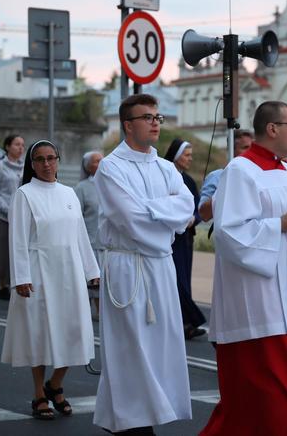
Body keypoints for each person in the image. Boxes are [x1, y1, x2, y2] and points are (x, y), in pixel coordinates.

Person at [201, 101, 287, 436]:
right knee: (267, 402)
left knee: (282, 398)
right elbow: (228, 234)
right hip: (257, 307)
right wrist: (279, 225)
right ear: (272, 129)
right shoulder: (240, 171)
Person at [93, 94, 194, 435]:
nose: (155, 122)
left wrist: (153, 211)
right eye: (147, 116)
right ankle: (133, 423)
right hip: (128, 267)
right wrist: (161, 215)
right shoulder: (111, 167)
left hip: (160, 266)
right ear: (127, 125)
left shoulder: (166, 167)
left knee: (160, 345)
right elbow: (129, 219)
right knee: (130, 344)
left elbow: (186, 210)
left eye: (157, 116)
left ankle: (140, 415)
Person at [1, 140, 99, 420]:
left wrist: (93, 271)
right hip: (39, 271)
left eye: (51, 158)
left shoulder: (69, 193)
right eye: (40, 159)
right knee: (40, 334)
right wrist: (21, 276)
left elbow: (80, 234)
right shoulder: (25, 194)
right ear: (32, 164)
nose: (46, 164)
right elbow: (17, 238)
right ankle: (39, 394)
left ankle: (55, 383)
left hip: (69, 271)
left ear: (58, 159)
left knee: (74, 330)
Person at [163, 139, 206, 340]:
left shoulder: (188, 180)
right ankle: (183, 321)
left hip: (185, 239)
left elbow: (197, 208)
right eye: (187, 155)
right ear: (176, 156)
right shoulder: (162, 176)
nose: (190, 159)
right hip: (169, 239)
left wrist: (193, 219)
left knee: (184, 280)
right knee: (174, 281)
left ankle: (185, 323)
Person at [0, 134, 25, 301]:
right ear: (8, 146)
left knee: (18, 251)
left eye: (22, 145)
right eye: (17, 144)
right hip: (3, 216)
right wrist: (8, 209)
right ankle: (3, 284)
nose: (21, 148)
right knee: (2, 252)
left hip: (20, 217)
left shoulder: (25, 167)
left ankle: (16, 283)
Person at [198, 129, 253, 222]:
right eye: (245, 147)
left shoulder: (259, 175)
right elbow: (204, 215)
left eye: (252, 148)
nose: (250, 152)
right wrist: (228, 187)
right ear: (231, 150)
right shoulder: (216, 177)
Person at [74, 150, 104, 319]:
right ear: (88, 167)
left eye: (102, 160)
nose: (100, 163)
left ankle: (101, 311)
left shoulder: (110, 185)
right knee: (91, 279)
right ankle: (92, 311)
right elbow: (76, 217)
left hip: (106, 242)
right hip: (89, 241)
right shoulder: (81, 188)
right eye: (96, 161)